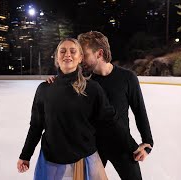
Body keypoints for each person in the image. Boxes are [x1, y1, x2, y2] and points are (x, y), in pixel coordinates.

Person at [47, 31, 154, 180]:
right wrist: (56, 82)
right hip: (93, 148)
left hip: (121, 144)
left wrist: (148, 141)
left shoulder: (128, 78)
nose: (80, 58)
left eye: (84, 54)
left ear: (99, 54)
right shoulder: (84, 82)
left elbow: (140, 111)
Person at [17, 38, 119, 180]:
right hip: (52, 161)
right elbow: (36, 126)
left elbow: (109, 122)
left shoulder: (92, 88)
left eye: (73, 51)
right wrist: (25, 155)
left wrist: (130, 147)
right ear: (57, 57)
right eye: (62, 51)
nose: (67, 55)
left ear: (80, 57)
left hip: (85, 159)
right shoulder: (44, 89)